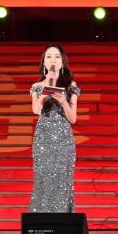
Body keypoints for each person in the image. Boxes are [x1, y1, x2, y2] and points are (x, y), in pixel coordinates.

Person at [28, 44, 80, 212]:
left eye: (57, 57)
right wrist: (44, 94)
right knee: (43, 179)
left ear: (62, 62)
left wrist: (63, 101)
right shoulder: (37, 86)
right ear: (44, 62)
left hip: (63, 140)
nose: (53, 60)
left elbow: (73, 119)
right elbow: (36, 110)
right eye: (49, 57)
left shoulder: (71, 85)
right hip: (43, 139)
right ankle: (41, 219)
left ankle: (63, 219)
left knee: (62, 180)